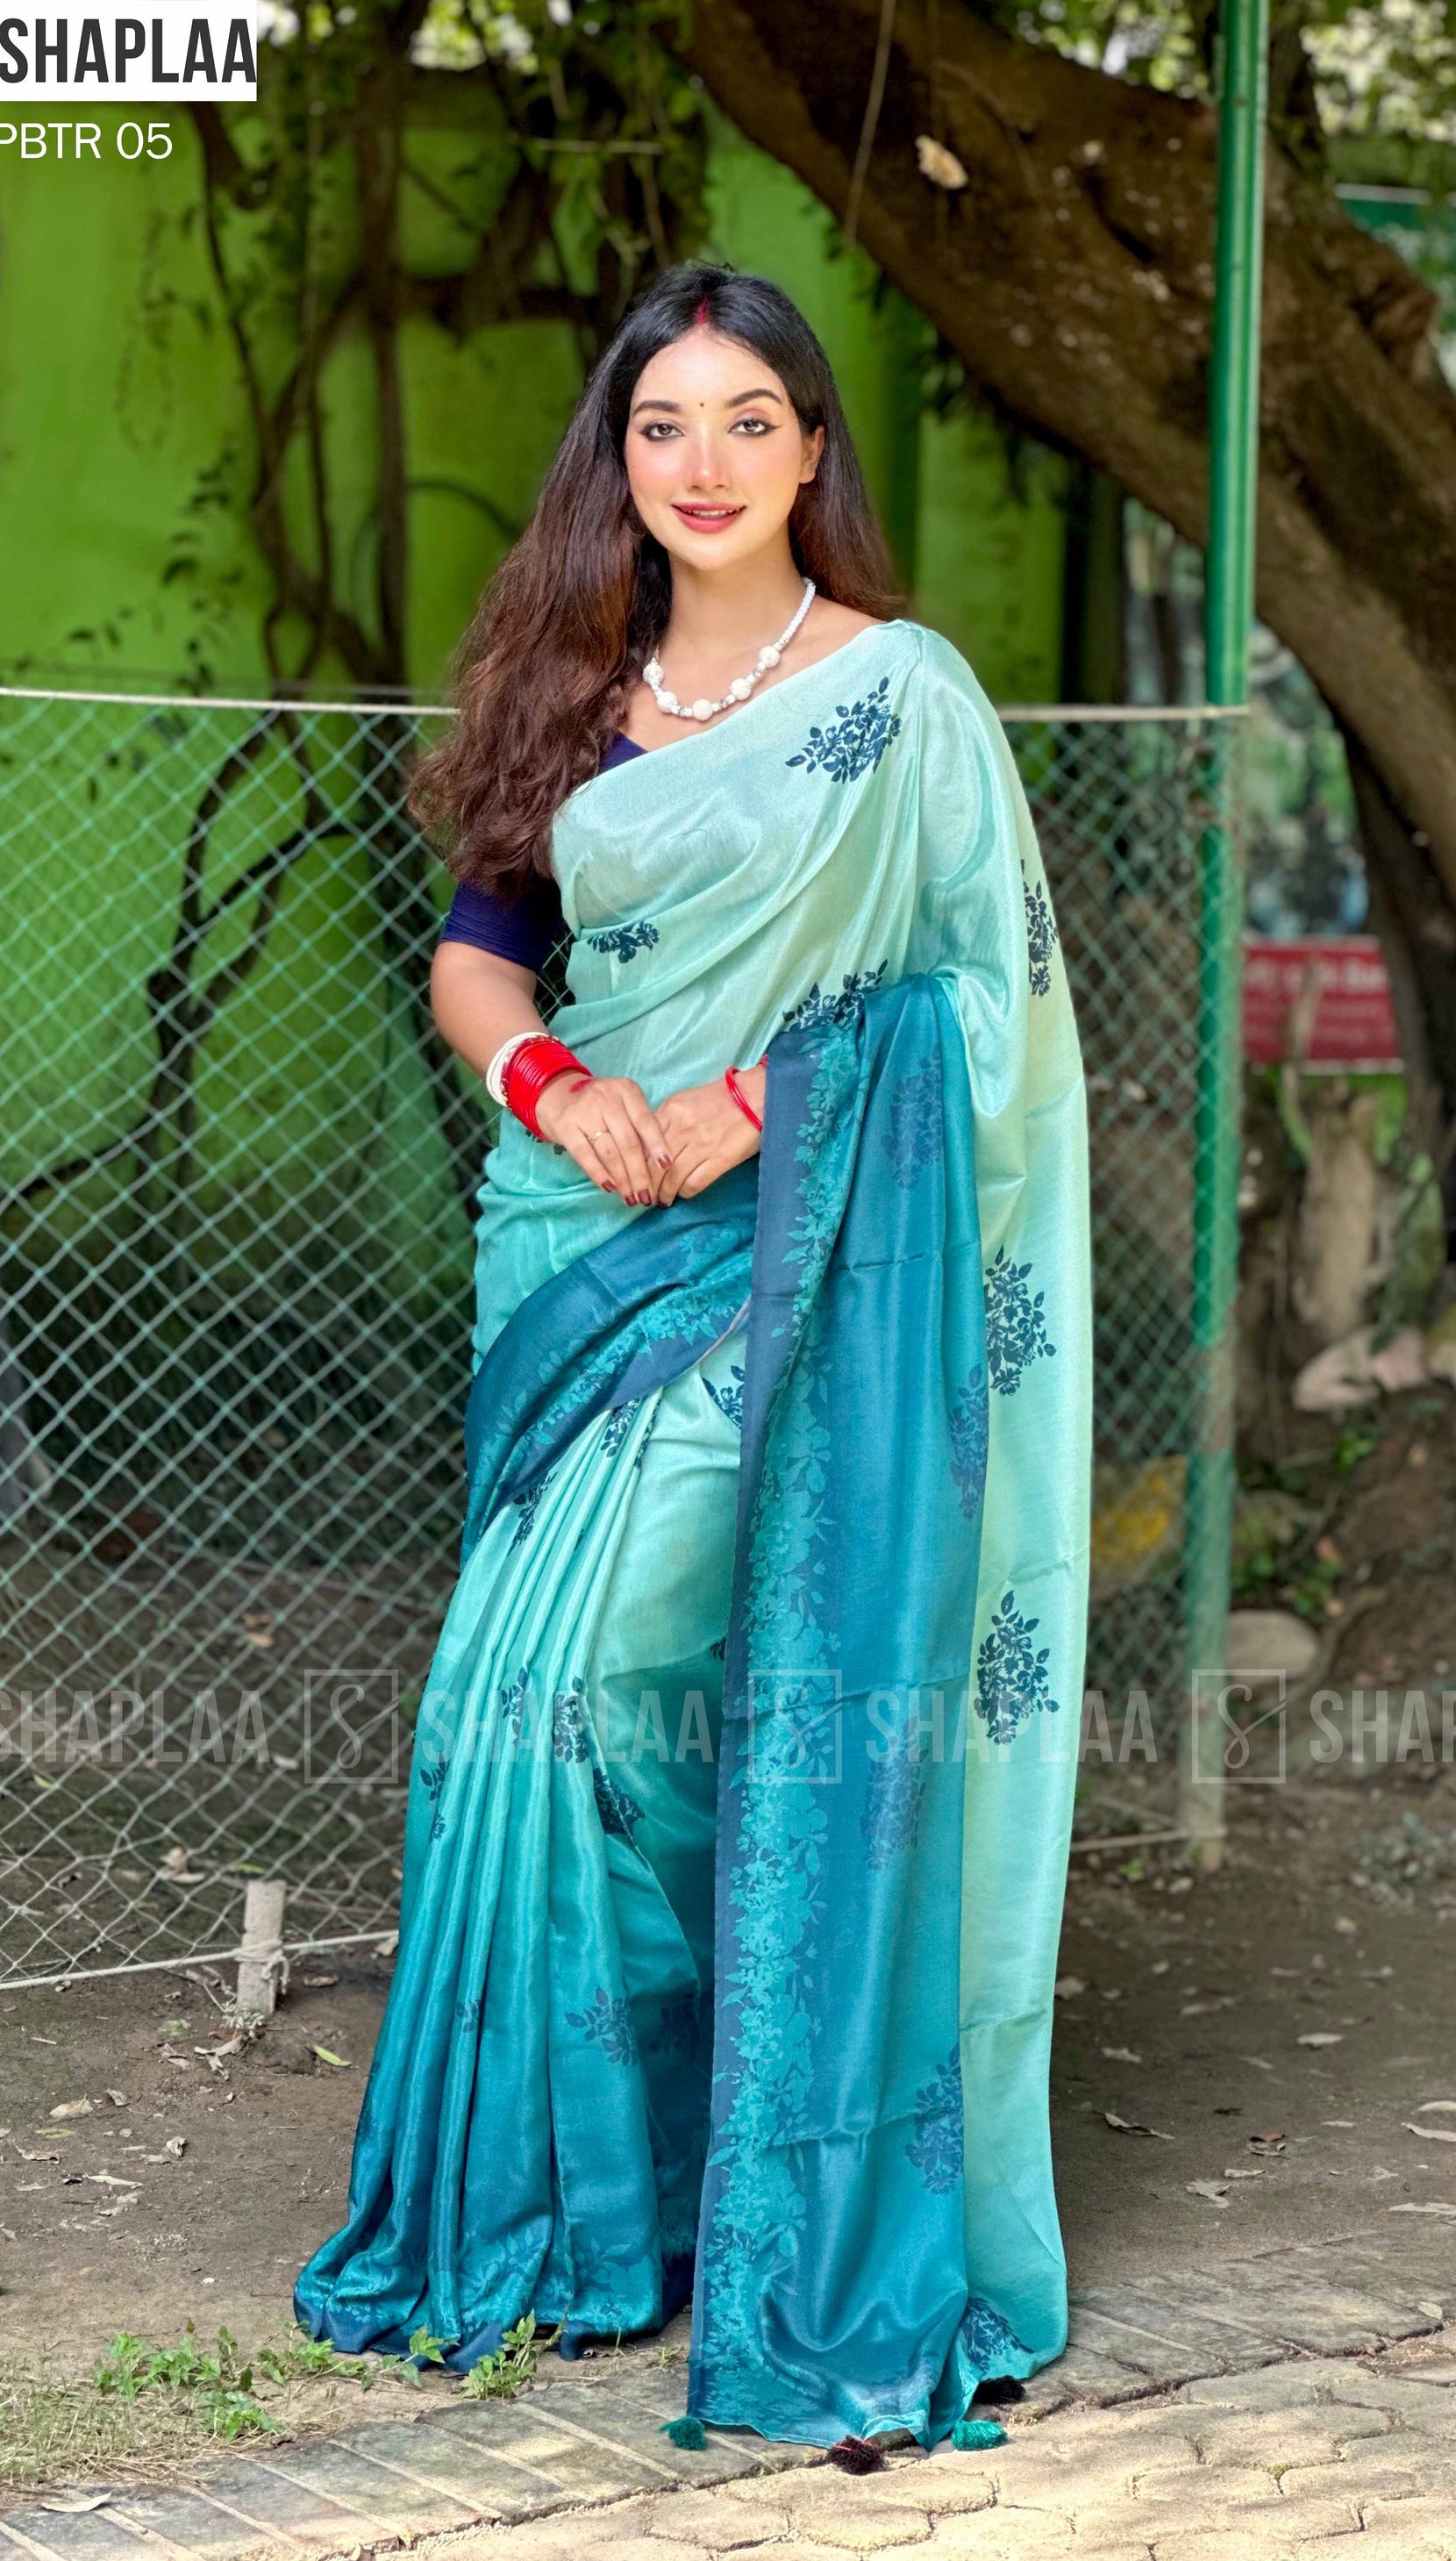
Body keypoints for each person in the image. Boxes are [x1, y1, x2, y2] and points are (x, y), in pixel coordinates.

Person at [296, 261, 1092, 2454]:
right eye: (665, 425)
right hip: (575, 1239)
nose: (707, 462)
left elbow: (985, 1002)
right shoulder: (571, 677)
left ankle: (758, 2197)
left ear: (813, 450)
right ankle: (600, 2205)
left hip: (806, 1250)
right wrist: (561, 1089)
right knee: (526, 1713)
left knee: (612, 1685)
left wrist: (756, 1103)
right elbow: (483, 945)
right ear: (618, 457)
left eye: (751, 420)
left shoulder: (899, 698)